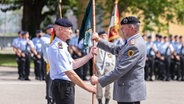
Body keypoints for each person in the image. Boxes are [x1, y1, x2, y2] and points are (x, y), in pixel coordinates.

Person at [90, 16, 146, 104]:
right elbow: (116, 49)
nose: (121, 30)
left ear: (131, 28)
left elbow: (121, 69)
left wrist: (99, 80)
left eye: (123, 28)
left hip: (129, 93)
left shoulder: (135, 45)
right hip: (127, 92)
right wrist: (99, 40)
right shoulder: (131, 42)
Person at [47, 18, 96, 104]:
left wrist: (90, 55)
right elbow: (69, 72)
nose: (71, 31)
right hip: (62, 87)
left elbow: (73, 64)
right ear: (60, 29)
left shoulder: (62, 46)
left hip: (64, 86)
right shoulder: (58, 48)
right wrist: (87, 87)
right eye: (69, 29)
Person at [95, 31, 115, 104]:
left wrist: (113, 66)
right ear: (99, 37)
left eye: (105, 36)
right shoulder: (96, 45)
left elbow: (114, 57)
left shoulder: (110, 45)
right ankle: (99, 100)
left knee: (109, 85)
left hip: (109, 67)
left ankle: (107, 100)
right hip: (99, 67)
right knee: (99, 84)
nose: (104, 37)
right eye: (102, 36)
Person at [41, 24, 54, 104]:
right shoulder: (44, 38)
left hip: (54, 62)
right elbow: (51, 44)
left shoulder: (55, 38)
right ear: (47, 30)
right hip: (47, 62)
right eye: (50, 29)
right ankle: (49, 97)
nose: (52, 30)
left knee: (55, 80)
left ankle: (54, 97)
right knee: (49, 81)